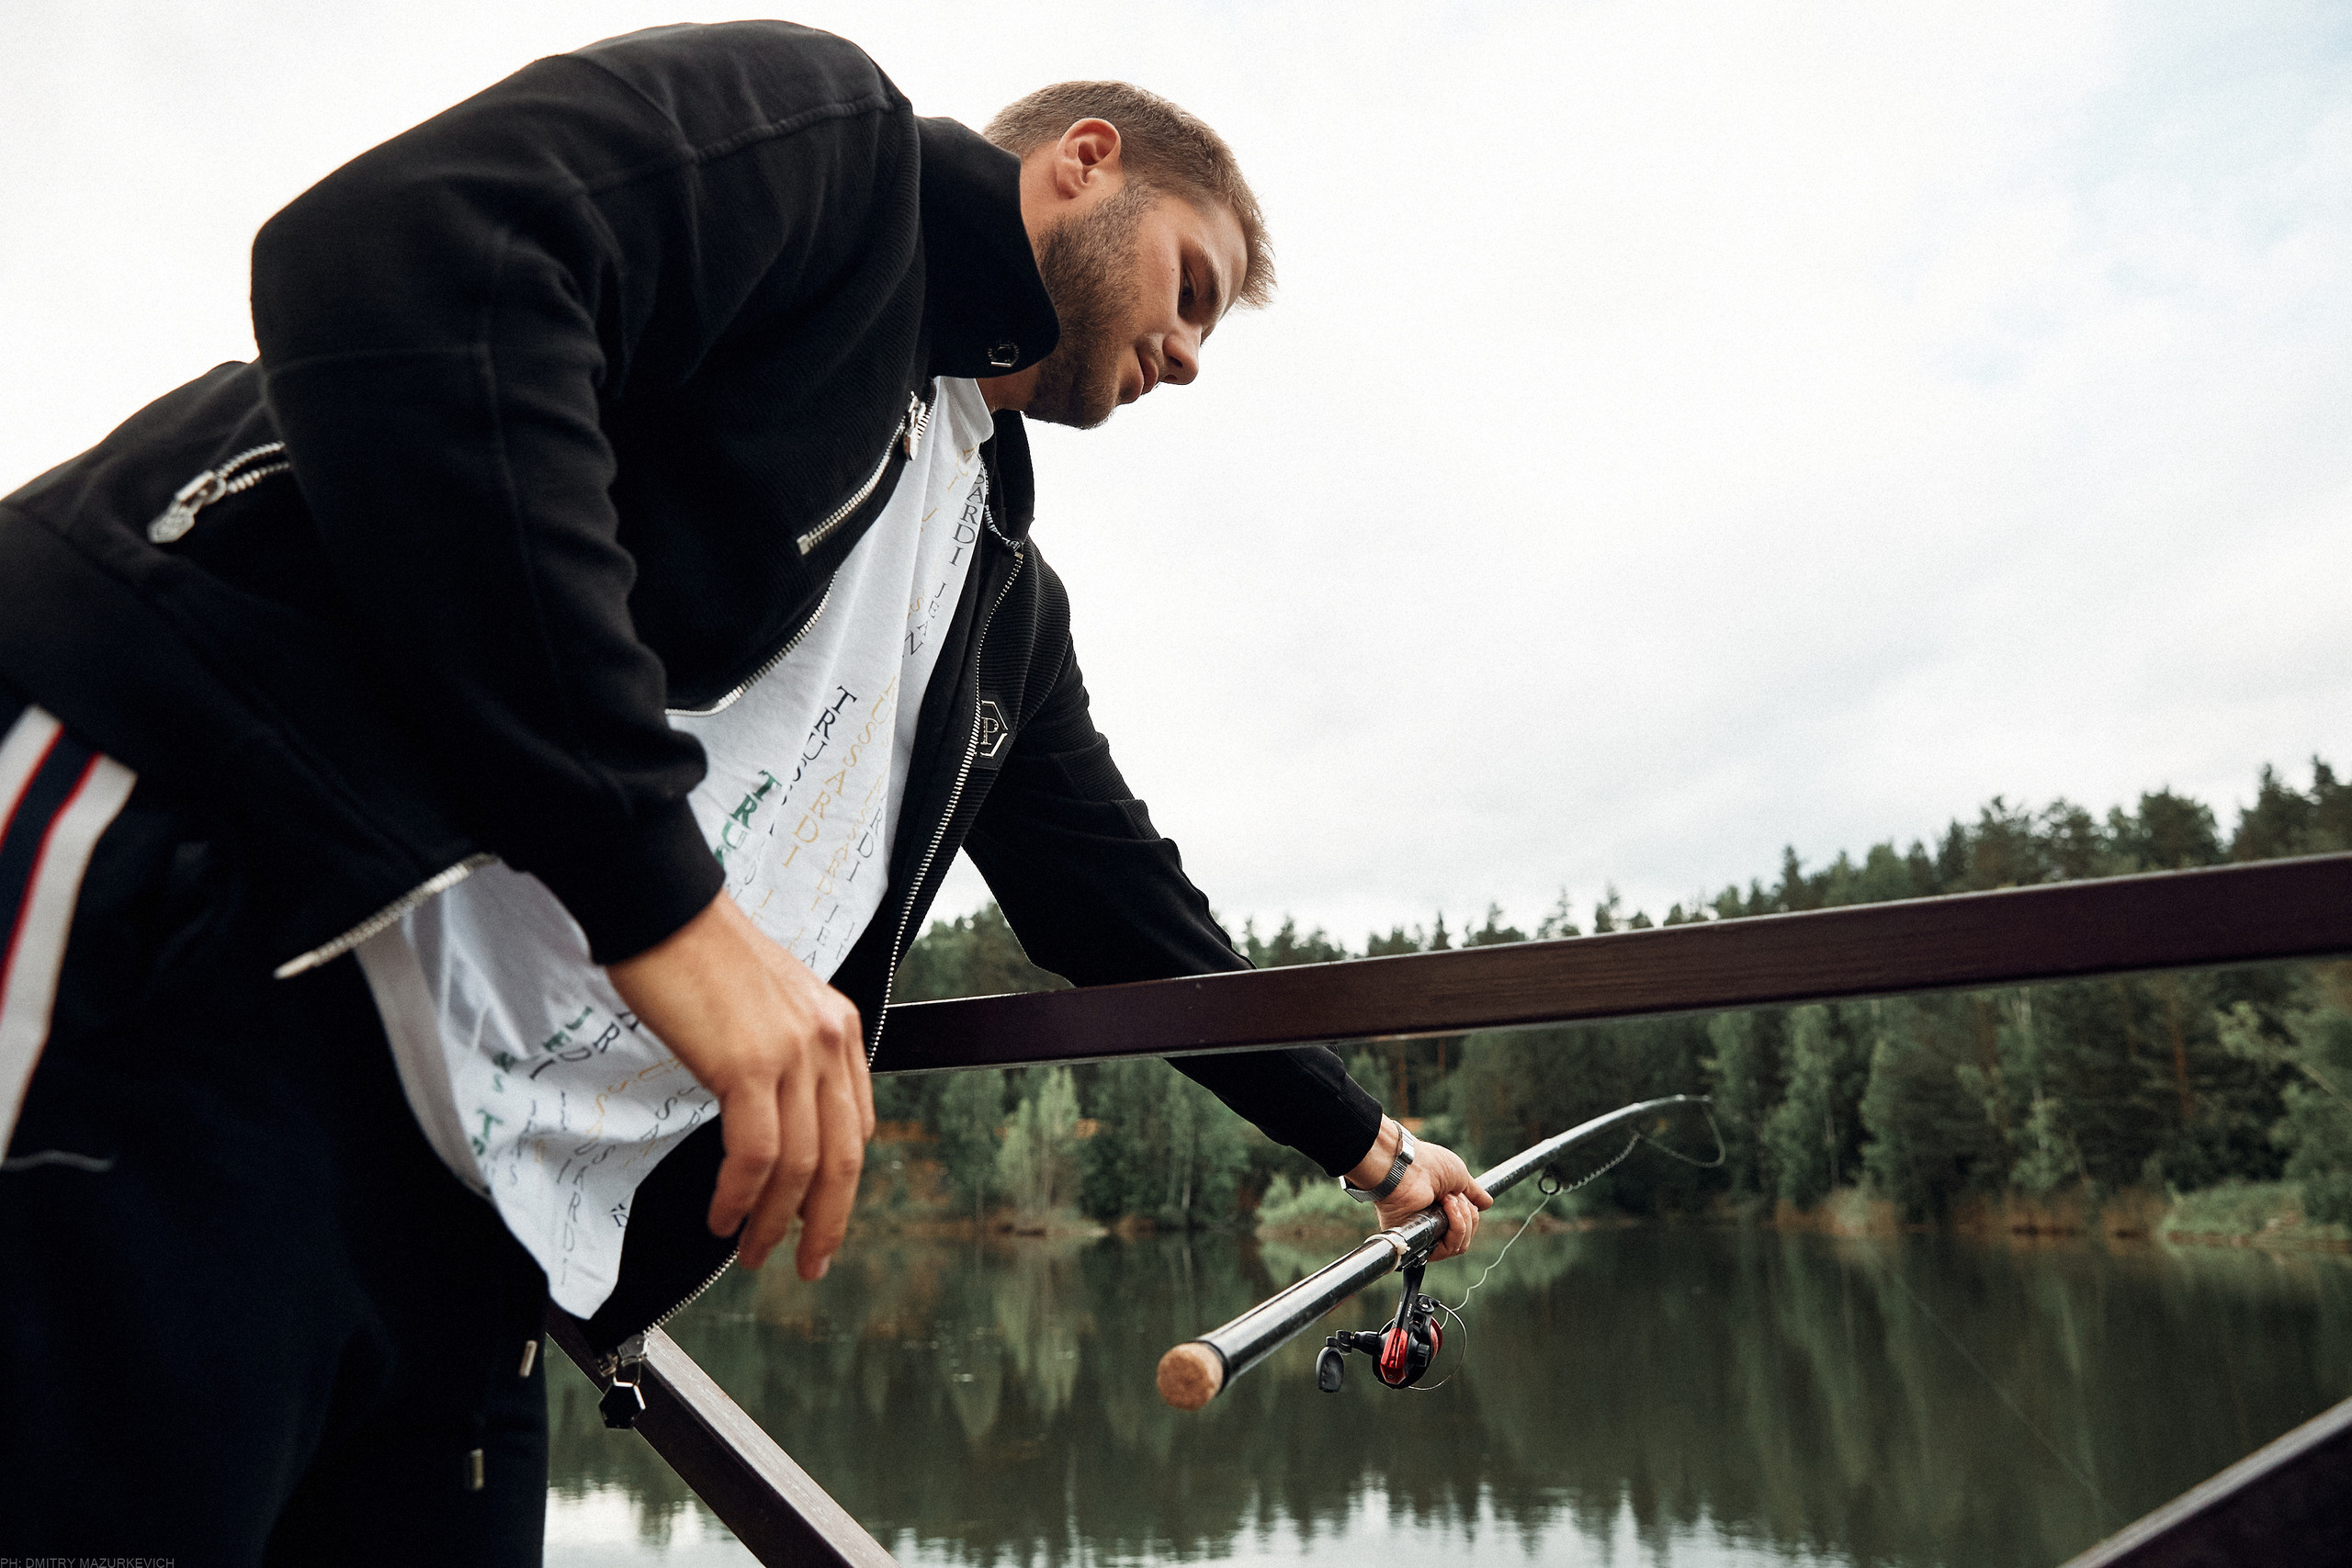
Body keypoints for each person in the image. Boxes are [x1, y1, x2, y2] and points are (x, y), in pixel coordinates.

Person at [0, 20, 1491, 1562]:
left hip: (506, 1209)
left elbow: (1120, 901)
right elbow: (405, 254)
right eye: (1191, 286)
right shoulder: (834, 159)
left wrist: (1366, 1147)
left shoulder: (998, 597)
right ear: (1082, 164)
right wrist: (674, 917)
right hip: (234, 959)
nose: (1188, 354)